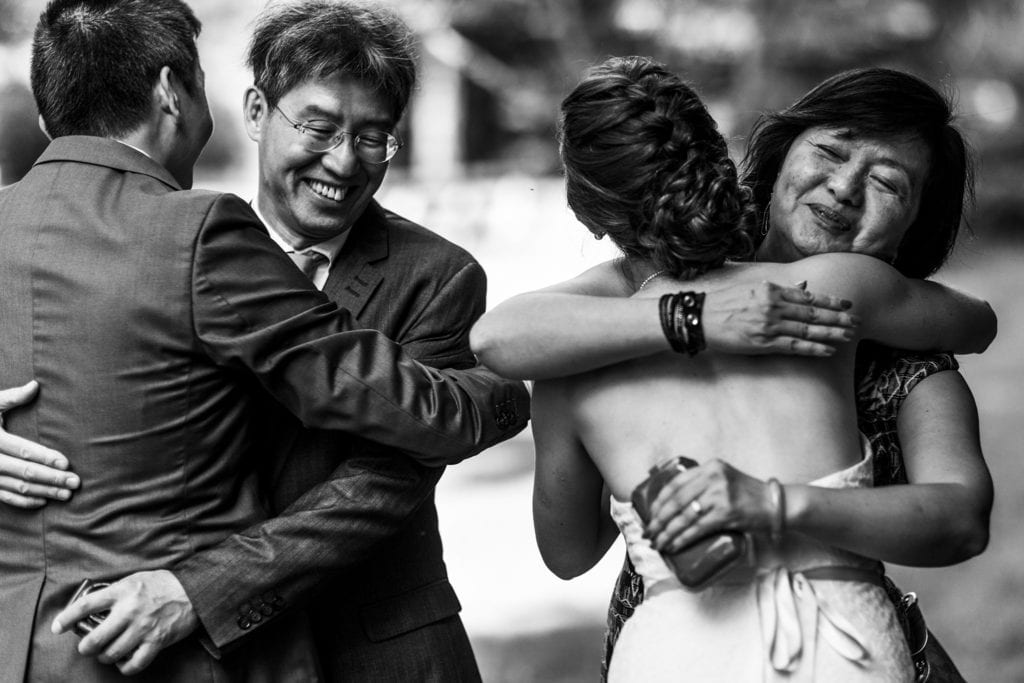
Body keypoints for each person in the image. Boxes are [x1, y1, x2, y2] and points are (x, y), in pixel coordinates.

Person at [0, 0, 533, 680]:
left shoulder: (437, 274)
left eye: (375, 136)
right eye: (318, 127)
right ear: (252, 110)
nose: (344, 161)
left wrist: (205, 588)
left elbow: (382, 483)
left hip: (376, 648)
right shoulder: (189, 238)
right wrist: (506, 393)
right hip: (183, 649)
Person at [471, 66, 994, 682]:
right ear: (774, 152)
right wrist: (699, 319)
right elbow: (499, 335)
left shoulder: (579, 349)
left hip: (756, 640)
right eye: (829, 150)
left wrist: (769, 504)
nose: (845, 189)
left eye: (887, 183)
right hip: (786, 635)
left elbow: (960, 516)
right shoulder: (595, 327)